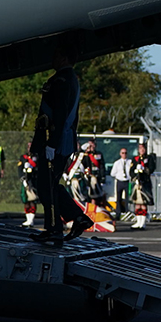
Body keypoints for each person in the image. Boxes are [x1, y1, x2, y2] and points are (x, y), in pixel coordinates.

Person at [28, 42, 93, 244]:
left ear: (64, 58)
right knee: (48, 185)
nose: (53, 59)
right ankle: (76, 218)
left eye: (56, 55)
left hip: (55, 140)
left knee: (46, 186)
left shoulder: (62, 80)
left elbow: (60, 113)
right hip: (57, 139)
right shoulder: (68, 79)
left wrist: (52, 143)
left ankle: (55, 229)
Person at [130, 142, 156, 229]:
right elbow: (131, 170)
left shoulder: (149, 158)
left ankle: (143, 222)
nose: (142, 150)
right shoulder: (135, 159)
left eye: (143, 148)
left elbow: (151, 169)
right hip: (137, 183)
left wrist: (144, 169)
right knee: (137, 203)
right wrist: (134, 175)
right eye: (140, 148)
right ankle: (138, 221)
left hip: (145, 182)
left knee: (144, 203)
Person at [18, 151, 41, 227]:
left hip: (33, 181)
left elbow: (39, 168)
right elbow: (20, 169)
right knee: (25, 200)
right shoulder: (23, 157)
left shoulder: (36, 157)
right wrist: (23, 178)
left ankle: (31, 220)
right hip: (25, 181)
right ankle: (28, 219)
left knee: (33, 199)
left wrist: (32, 169)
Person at [110, 147, 133, 218]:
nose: (124, 154)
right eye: (123, 153)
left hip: (127, 181)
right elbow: (112, 173)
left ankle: (127, 212)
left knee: (127, 198)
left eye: (125, 153)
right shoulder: (117, 163)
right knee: (118, 198)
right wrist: (118, 176)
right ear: (120, 154)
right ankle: (118, 213)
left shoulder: (130, 162)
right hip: (119, 181)